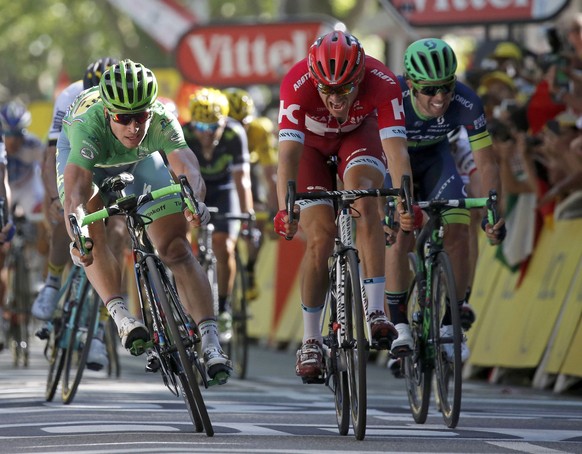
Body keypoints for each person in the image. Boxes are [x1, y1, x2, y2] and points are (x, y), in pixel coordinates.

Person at [57, 59, 231, 381]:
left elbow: (186, 166)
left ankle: (210, 341)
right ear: (109, 113)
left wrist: (195, 200)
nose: (134, 127)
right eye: (124, 118)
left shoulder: (163, 119)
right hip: (88, 161)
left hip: (139, 162)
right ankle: (123, 317)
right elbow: (77, 192)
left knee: (176, 248)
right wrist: (77, 232)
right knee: (91, 235)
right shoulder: (88, 125)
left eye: (141, 117)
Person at [273, 30, 413, 381]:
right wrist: (284, 209)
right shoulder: (297, 83)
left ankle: (376, 310)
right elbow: (287, 157)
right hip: (311, 148)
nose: (336, 98)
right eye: (327, 89)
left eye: (345, 88)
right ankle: (310, 339)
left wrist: (405, 201)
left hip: (357, 137)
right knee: (320, 236)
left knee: (365, 198)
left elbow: (397, 152)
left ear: (360, 77)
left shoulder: (383, 81)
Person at [384, 38, 506, 366]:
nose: (440, 97)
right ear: (410, 84)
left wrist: (495, 212)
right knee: (401, 232)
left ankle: (452, 325)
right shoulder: (391, 95)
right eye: (429, 89)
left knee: (460, 230)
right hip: (395, 160)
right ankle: (399, 324)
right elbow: (395, 158)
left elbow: (488, 162)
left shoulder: (466, 101)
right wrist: (402, 205)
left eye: (446, 87)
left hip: (437, 158)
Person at [31, 57, 119, 371]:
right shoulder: (69, 96)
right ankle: (53, 283)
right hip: (75, 152)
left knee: (118, 231)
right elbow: (52, 152)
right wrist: (54, 197)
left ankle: (100, 326)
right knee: (63, 211)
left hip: (112, 160)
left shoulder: (124, 101)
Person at [183, 87, 254, 341]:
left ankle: (223, 308)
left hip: (224, 190)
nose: (207, 134)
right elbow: (174, 177)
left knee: (224, 246)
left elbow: (242, 180)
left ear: (225, 122)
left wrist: (248, 216)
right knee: (181, 244)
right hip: (194, 188)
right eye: (201, 127)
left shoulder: (235, 133)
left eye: (214, 127)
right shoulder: (184, 133)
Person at [223, 87, 278, 300]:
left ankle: (249, 269)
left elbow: (270, 175)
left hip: (249, 174)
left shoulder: (259, 130)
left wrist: (274, 212)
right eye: (232, 124)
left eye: (243, 124)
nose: (239, 130)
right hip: (222, 175)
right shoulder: (213, 131)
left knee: (259, 218)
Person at [0, 101, 46, 322]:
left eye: (18, 135)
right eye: (8, 135)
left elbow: (48, 172)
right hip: (3, 189)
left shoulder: (34, 145)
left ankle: (37, 272)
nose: (13, 141)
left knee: (42, 218)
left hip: (28, 189)